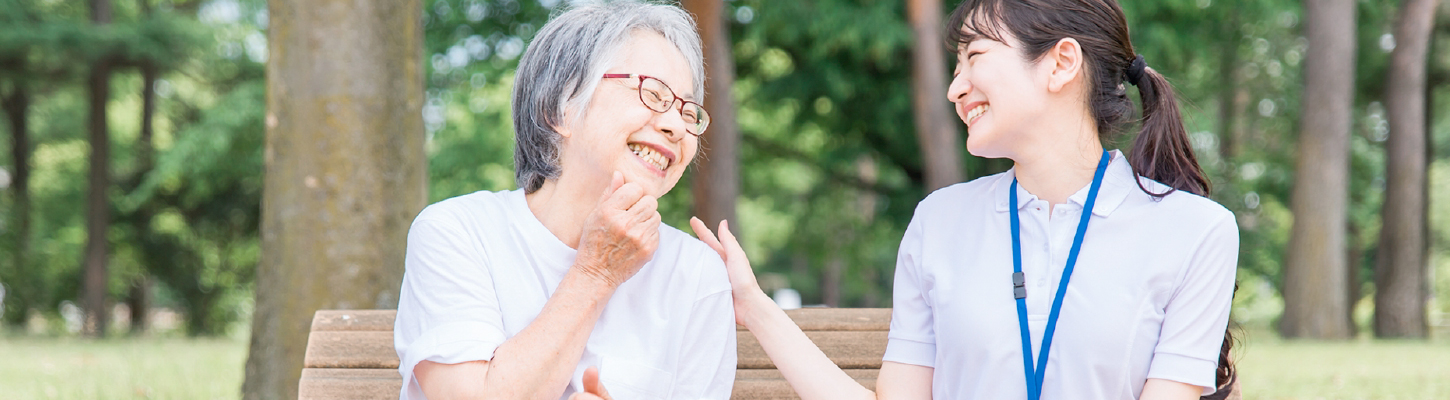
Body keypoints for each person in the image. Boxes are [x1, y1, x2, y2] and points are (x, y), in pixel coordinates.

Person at [690, 0, 1239, 399]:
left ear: (1061, 63)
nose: (955, 88)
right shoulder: (940, 222)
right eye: (955, 67)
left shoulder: (1197, 231)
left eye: (973, 57)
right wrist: (754, 305)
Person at [393, 3, 735, 400]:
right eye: (653, 93)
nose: (676, 126)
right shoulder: (456, 233)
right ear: (559, 108)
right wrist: (596, 272)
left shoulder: (695, 275)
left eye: (687, 110)